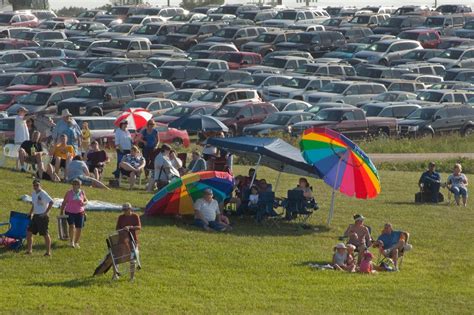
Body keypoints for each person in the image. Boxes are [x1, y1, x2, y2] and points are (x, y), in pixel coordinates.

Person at [113, 202, 142, 281]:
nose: (125, 211)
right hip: (122, 240)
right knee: (116, 258)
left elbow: (139, 227)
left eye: (126, 210)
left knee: (133, 259)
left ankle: (132, 277)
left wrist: (130, 227)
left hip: (133, 240)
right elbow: (117, 229)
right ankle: (115, 275)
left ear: (130, 209)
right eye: (124, 210)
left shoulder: (135, 216)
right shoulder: (121, 217)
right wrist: (123, 229)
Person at [26, 179, 54, 256]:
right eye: (34, 185)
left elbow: (51, 202)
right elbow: (34, 204)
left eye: (37, 185)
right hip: (35, 216)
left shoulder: (43, 193)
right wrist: (30, 213)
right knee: (29, 232)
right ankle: (29, 251)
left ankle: (48, 252)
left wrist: (45, 213)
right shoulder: (33, 193)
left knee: (45, 234)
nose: (35, 187)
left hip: (42, 217)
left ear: (40, 185)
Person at [60, 179, 88, 249]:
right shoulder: (69, 193)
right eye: (74, 184)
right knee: (71, 226)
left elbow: (86, 200)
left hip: (80, 212)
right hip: (69, 211)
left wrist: (84, 203)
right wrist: (61, 211)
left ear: (79, 185)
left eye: (77, 184)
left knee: (79, 228)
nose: (75, 186)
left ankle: (76, 242)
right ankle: (71, 242)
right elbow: (64, 202)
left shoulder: (82, 192)